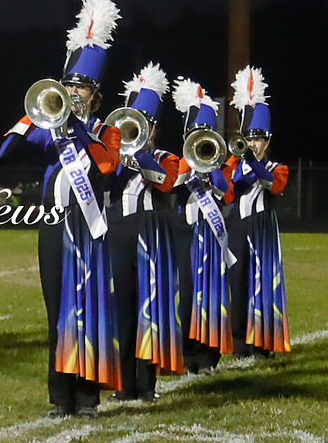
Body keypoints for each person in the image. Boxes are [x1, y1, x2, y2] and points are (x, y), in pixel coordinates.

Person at [0, 0, 124, 417]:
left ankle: (87, 397)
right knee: (57, 311)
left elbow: (107, 167)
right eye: (68, 85)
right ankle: (60, 398)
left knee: (89, 308)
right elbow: (6, 150)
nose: (73, 92)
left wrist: (78, 129)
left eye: (81, 87)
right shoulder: (50, 127)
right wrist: (37, 113)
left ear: (94, 93)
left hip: (89, 228)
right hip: (54, 225)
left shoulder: (106, 130)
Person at [106, 64, 184, 401]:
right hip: (119, 230)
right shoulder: (115, 158)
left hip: (153, 232)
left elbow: (166, 183)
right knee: (121, 307)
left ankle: (147, 384)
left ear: (154, 128)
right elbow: (102, 179)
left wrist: (140, 153)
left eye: (146, 123)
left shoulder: (167, 157)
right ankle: (124, 383)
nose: (140, 128)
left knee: (149, 307)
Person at [222, 67, 291, 359]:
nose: (253, 144)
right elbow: (227, 188)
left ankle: (264, 343)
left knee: (263, 284)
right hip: (237, 226)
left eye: (259, 138)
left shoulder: (277, 167)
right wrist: (237, 161)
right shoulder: (233, 164)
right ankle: (239, 343)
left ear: (268, 141)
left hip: (263, 227)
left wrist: (252, 161)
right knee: (238, 283)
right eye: (249, 138)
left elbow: (274, 185)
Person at [171, 79, 236, 375]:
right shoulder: (179, 163)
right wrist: (190, 161)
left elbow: (228, 194)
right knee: (186, 294)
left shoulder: (221, 167)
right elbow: (172, 184)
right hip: (185, 235)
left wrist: (212, 166)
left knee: (212, 294)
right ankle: (187, 353)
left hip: (211, 237)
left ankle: (209, 356)